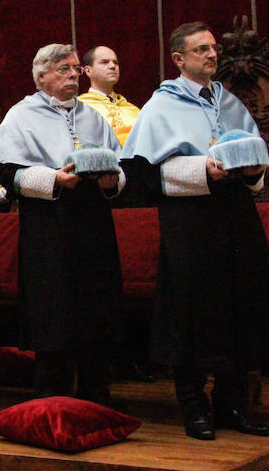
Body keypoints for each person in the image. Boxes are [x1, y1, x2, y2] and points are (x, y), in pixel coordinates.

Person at [122, 22, 269, 440]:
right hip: (190, 221)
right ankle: (194, 406)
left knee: (242, 303)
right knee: (191, 312)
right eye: (201, 49)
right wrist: (201, 169)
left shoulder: (230, 102)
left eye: (212, 49)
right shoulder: (160, 106)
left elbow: (253, 161)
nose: (211, 55)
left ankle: (232, 402)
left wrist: (254, 174)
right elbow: (143, 175)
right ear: (179, 59)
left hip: (236, 217)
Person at [0, 44, 124, 406]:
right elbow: (6, 169)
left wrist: (114, 182)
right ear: (41, 75)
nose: (72, 76)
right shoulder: (21, 114)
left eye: (76, 69)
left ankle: (97, 397)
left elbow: (119, 166)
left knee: (95, 309)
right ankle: (52, 399)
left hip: (92, 221)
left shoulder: (93, 116)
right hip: (50, 222)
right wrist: (53, 180)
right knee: (53, 310)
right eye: (63, 69)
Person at [78, 46, 141, 146]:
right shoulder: (79, 107)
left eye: (115, 62)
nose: (112, 66)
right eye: (104, 62)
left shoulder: (133, 109)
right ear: (88, 71)